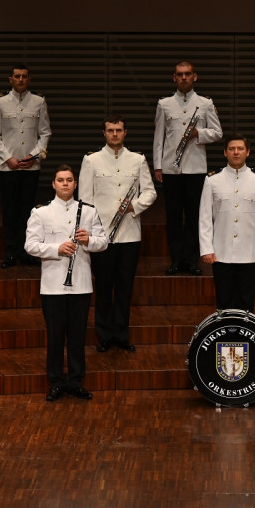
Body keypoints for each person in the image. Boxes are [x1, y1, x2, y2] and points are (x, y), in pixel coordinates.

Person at [25, 165, 109, 401]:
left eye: (69, 180)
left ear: (75, 184)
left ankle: (75, 381)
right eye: (60, 180)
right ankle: (55, 382)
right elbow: (30, 245)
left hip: (81, 284)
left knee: (77, 336)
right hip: (53, 286)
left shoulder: (89, 211)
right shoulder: (41, 212)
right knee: (55, 336)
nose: (65, 184)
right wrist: (57, 249)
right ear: (53, 184)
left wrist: (89, 240)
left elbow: (103, 242)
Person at [78, 115, 157, 353]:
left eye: (119, 130)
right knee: (103, 288)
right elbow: (85, 199)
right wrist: (91, 232)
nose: (115, 134)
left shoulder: (137, 159)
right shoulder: (91, 160)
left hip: (129, 235)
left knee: (125, 288)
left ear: (125, 132)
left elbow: (150, 192)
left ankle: (121, 335)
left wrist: (135, 206)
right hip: (102, 235)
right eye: (111, 130)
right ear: (104, 133)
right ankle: (104, 335)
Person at [153, 60, 223, 275]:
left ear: (195, 76)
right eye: (180, 74)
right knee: (173, 217)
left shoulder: (205, 103)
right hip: (171, 169)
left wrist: (198, 133)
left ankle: (192, 260)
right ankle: (176, 260)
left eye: (187, 74)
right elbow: (158, 137)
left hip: (196, 169)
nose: (184, 77)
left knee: (194, 217)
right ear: (174, 78)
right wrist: (158, 166)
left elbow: (217, 133)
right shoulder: (164, 104)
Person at [199, 134, 255, 312]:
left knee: (246, 304)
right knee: (223, 303)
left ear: (248, 152)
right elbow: (205, 217)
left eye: (240, 149)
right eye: (232, 149)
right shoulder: (212, 180)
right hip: (221, 253)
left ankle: (245, 332)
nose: (236, 152)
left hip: (249, 253)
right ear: (225, 152)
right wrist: (206, 248)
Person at [0, 64, 51, 268]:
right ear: (11, 79)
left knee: (28, 211)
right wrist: (7, 158)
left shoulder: (39, 101)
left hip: (30, 167)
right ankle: (10, 252)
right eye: (17, 76)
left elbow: (45, 133)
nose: (21, 79)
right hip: (9, 167)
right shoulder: (0, 101)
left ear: (29, 79)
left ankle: (26, 251)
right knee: (9, 211)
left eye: (24, 76)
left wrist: (34, 156)